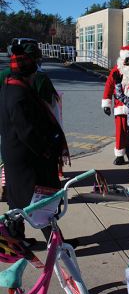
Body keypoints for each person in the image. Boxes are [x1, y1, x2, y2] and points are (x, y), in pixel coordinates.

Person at [0, 44, 70, 244]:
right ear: (28, 73)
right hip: (26, 158)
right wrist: (47, 151)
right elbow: (27, 131)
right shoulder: (19, 95)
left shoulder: (9, 85)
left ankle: (17, 239)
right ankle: (56, 244)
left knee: (19, 201)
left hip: (15, 154)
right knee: (40, 201)